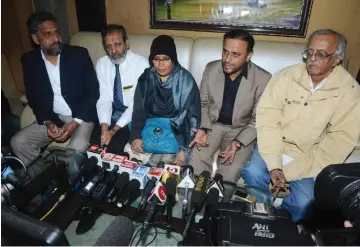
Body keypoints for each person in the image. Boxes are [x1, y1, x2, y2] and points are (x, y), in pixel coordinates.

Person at [241, 29, 360, 222]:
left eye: (320, 54)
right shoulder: (285, 76)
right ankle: (257, 216)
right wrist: (274, 165)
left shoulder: (350, 92)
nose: (312, 59)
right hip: (275, 146)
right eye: (309, 52)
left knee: (304, 203)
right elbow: (268, 119)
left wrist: (286, 172)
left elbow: (337, 144)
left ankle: (281, 226)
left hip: (309, 157)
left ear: (337, 59)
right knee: (252, 173)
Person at [189, 29, 271, 200]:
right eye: (225, 52)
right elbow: (203, 103)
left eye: (235, 54)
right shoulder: (211, 69)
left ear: (248, 56)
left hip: (241, 130)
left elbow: (259, 118)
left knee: (229, 172)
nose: (227, 59)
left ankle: (217, 208)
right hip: (212, 125)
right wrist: (202, 128)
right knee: (196, 161)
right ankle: (193, 203)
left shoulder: (263, 79)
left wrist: (238, 142)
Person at [11, 11, 99, 166]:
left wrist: (75, 123)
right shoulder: (29, 61)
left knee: (75, 152)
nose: (56, 38)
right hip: (53, 117)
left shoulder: (79, 54)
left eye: (57, 32)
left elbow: (93, 92)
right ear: (35, 39)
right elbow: (33, 97)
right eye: (48, 34)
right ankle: (44, 178)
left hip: (81, 116)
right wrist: (48, 122)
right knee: (18, 142)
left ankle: (74, 186)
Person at [130, 35, 201, 166]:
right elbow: (138, 111)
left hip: (178, 131)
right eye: (156, 59)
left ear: (173, 60)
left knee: (171, 170)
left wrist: (184, 149)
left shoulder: (185, 80)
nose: (161, 64)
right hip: (151, 127)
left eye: (166, 59)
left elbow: (192, 117)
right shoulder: (145, 79)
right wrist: (136, 136)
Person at [90, 25, 148, 153]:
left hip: (133, 116)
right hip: (111, 112)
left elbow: (137, 105)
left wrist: (113, 130)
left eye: (117, 44)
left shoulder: (141, 65)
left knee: (114, 146)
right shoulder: (102, 64)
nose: (113, 50)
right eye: (109, 46)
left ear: (127, 44)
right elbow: (104, 98)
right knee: (94, 144)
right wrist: (104, 127)